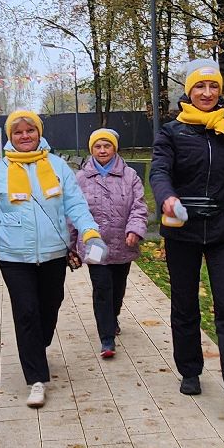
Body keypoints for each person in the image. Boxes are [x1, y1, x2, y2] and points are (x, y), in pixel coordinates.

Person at [0, 109, 103, 408]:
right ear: (9, 137)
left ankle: (37, 347)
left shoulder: (57, 166)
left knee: (50, 307)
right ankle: (37, 378)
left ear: (39, 133)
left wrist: (89, 230)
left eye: (30, 131)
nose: (25, 136)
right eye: (18, 132)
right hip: (14, 257)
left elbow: (75, 203)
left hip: (53, 253)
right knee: (26, 311)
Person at [151, 59, 224, 417]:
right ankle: (190, 369)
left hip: (223, 232)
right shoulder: (171, 132)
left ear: (220, 91)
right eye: (199, 87)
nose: (206, 93)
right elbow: (158, 171)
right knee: (185, 305)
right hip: (182, 231)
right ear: (188, 91)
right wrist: (167, 197)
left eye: (213, 86)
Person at [71, 129, 148, 360]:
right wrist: (70, 244)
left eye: (107, 146)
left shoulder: (130, 176)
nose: (102, 150)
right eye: (98, 146)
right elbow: (72, 211)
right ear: (91, 150)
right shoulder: (81, 178)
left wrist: (135, 229)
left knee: (118, 287)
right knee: (102, 288)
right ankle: (106, 338)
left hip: (123, 242)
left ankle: (112, 317)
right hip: (94, 244)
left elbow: (139, 206)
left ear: (115, 148)